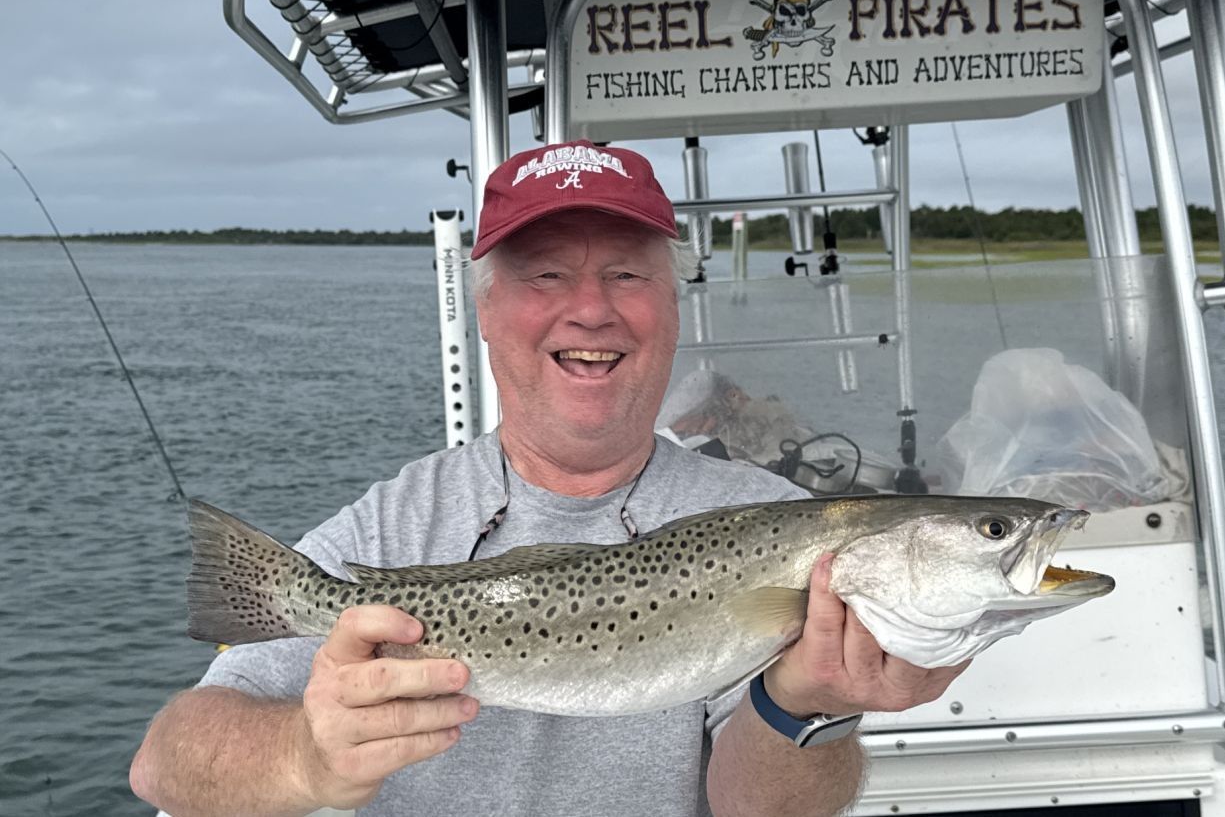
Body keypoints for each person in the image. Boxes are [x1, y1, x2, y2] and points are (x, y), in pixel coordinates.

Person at [131, 140, 968, 817]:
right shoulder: (394, 524)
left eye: (627, 274)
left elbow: (755, 809)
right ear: (486, 312)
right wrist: (307, 757)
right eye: (545, 275)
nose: (591, 309)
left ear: (673, 309)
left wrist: (807, 706)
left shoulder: (777, 530)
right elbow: (164, 764)